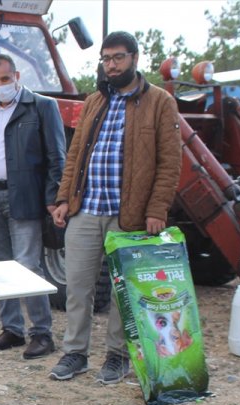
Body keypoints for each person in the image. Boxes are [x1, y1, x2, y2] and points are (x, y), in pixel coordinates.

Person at [48, 31, 181, 383]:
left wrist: (157, 209)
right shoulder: (95, 100)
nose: (111, 65)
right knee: (78, 287)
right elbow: (75, 154)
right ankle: (75, 354)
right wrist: (63, 198)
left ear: (135, 58)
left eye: (118, 58)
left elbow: (170, 162)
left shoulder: (160, 101)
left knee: (123, 292)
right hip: (86, 208)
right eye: (106, 59)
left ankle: (117, 357)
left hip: (130, 215)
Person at [0, 54, 66, 359]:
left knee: (27, 266)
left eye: (4, 80)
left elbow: (56, 157)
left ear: (17, 76)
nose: (0, 86)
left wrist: (53, 197)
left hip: (25, 197)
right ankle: (12, 329)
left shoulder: (42, 107)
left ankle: (42, 334)